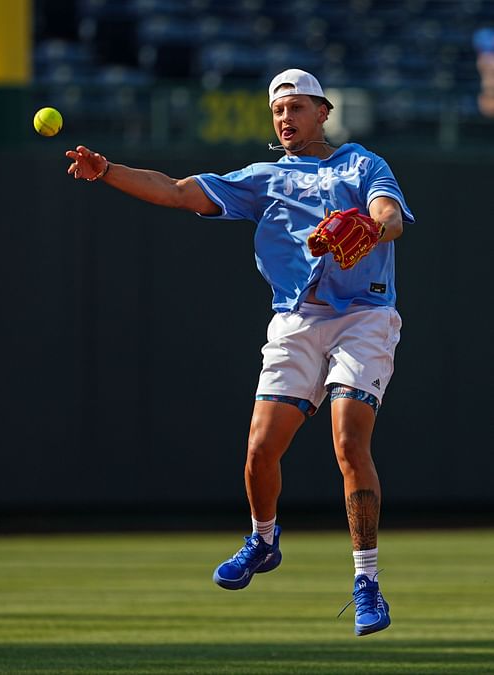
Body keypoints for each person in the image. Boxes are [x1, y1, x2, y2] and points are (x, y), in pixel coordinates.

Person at [66, 68, 414, 637]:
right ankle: (263, 538)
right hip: (297, 320)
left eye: (297, 108)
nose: (285, 118)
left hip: (363, 317)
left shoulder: (362, 164)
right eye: (279, 110)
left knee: (349, 441)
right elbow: (177, 191)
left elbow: (390, 216)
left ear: (323, 112)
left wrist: (372, 230)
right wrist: (107, 171)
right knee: (259, 450)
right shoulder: (263, 178)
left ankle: (367, 582)